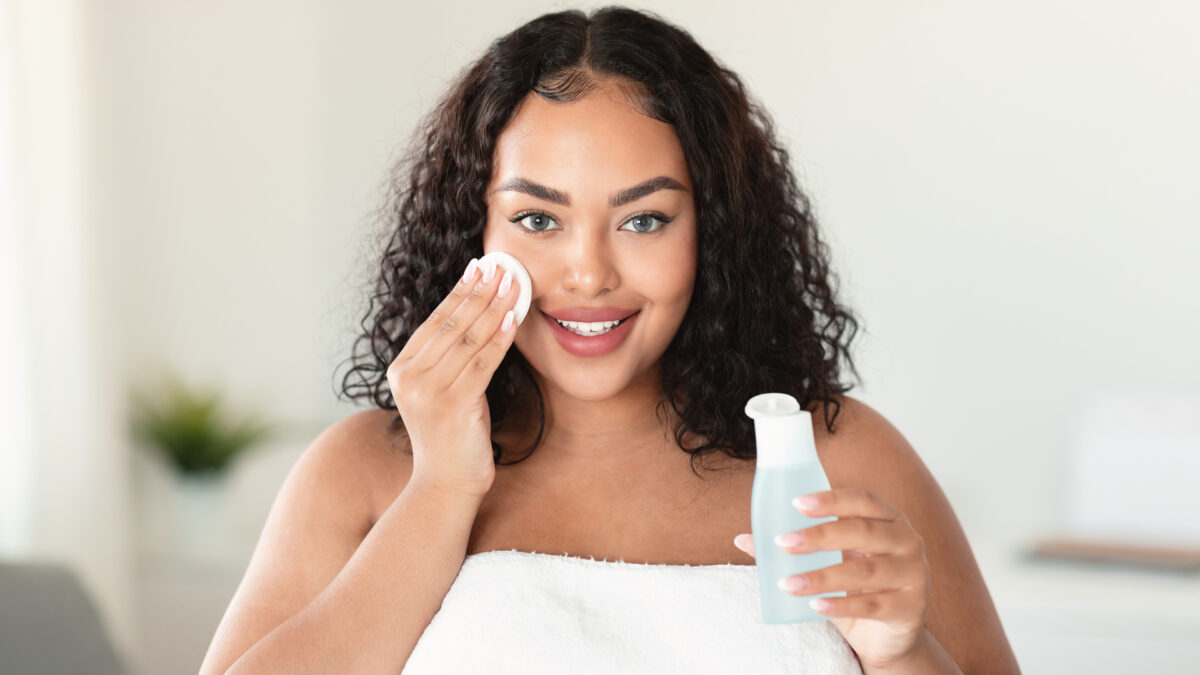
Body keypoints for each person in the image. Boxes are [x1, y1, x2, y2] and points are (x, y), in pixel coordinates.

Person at [201, 6, 1020, 674]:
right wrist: (443, 488)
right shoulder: (364, 475)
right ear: (472, 232)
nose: (587, 274)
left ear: (714, 230)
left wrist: (905, 652)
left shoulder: (842, 460)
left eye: (644, 218)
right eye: (537, 219)